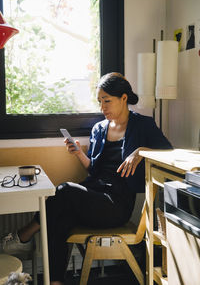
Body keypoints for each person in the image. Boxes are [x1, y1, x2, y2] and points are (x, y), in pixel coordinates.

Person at [1, 72, 172, 285]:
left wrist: (139, 152)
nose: (103, 108)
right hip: (94, 196)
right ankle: (55, 282)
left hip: (116, 205)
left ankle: (24, 236)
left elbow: (168, 152)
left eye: (107, 101)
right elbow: (94, 170)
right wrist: (78, 154)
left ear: (124, 98)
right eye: (100, 101)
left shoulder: (142, 125)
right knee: (59, 218)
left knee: (62, 190)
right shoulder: (99, 128)